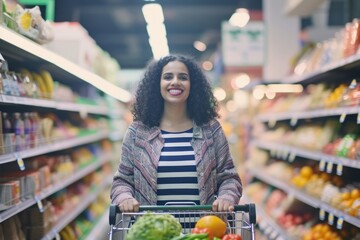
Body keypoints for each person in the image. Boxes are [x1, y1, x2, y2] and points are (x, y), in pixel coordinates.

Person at [110, 54, 242, 213]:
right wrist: (124, 198)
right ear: (157, 84)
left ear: (192, 85)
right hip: (153, 232)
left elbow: (229, 178)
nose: (175, 82)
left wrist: (227, 196)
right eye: (167, 77)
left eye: (183, 77)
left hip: (203, 231)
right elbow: (122, 181)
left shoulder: (211, 130)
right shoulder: (138, 132)